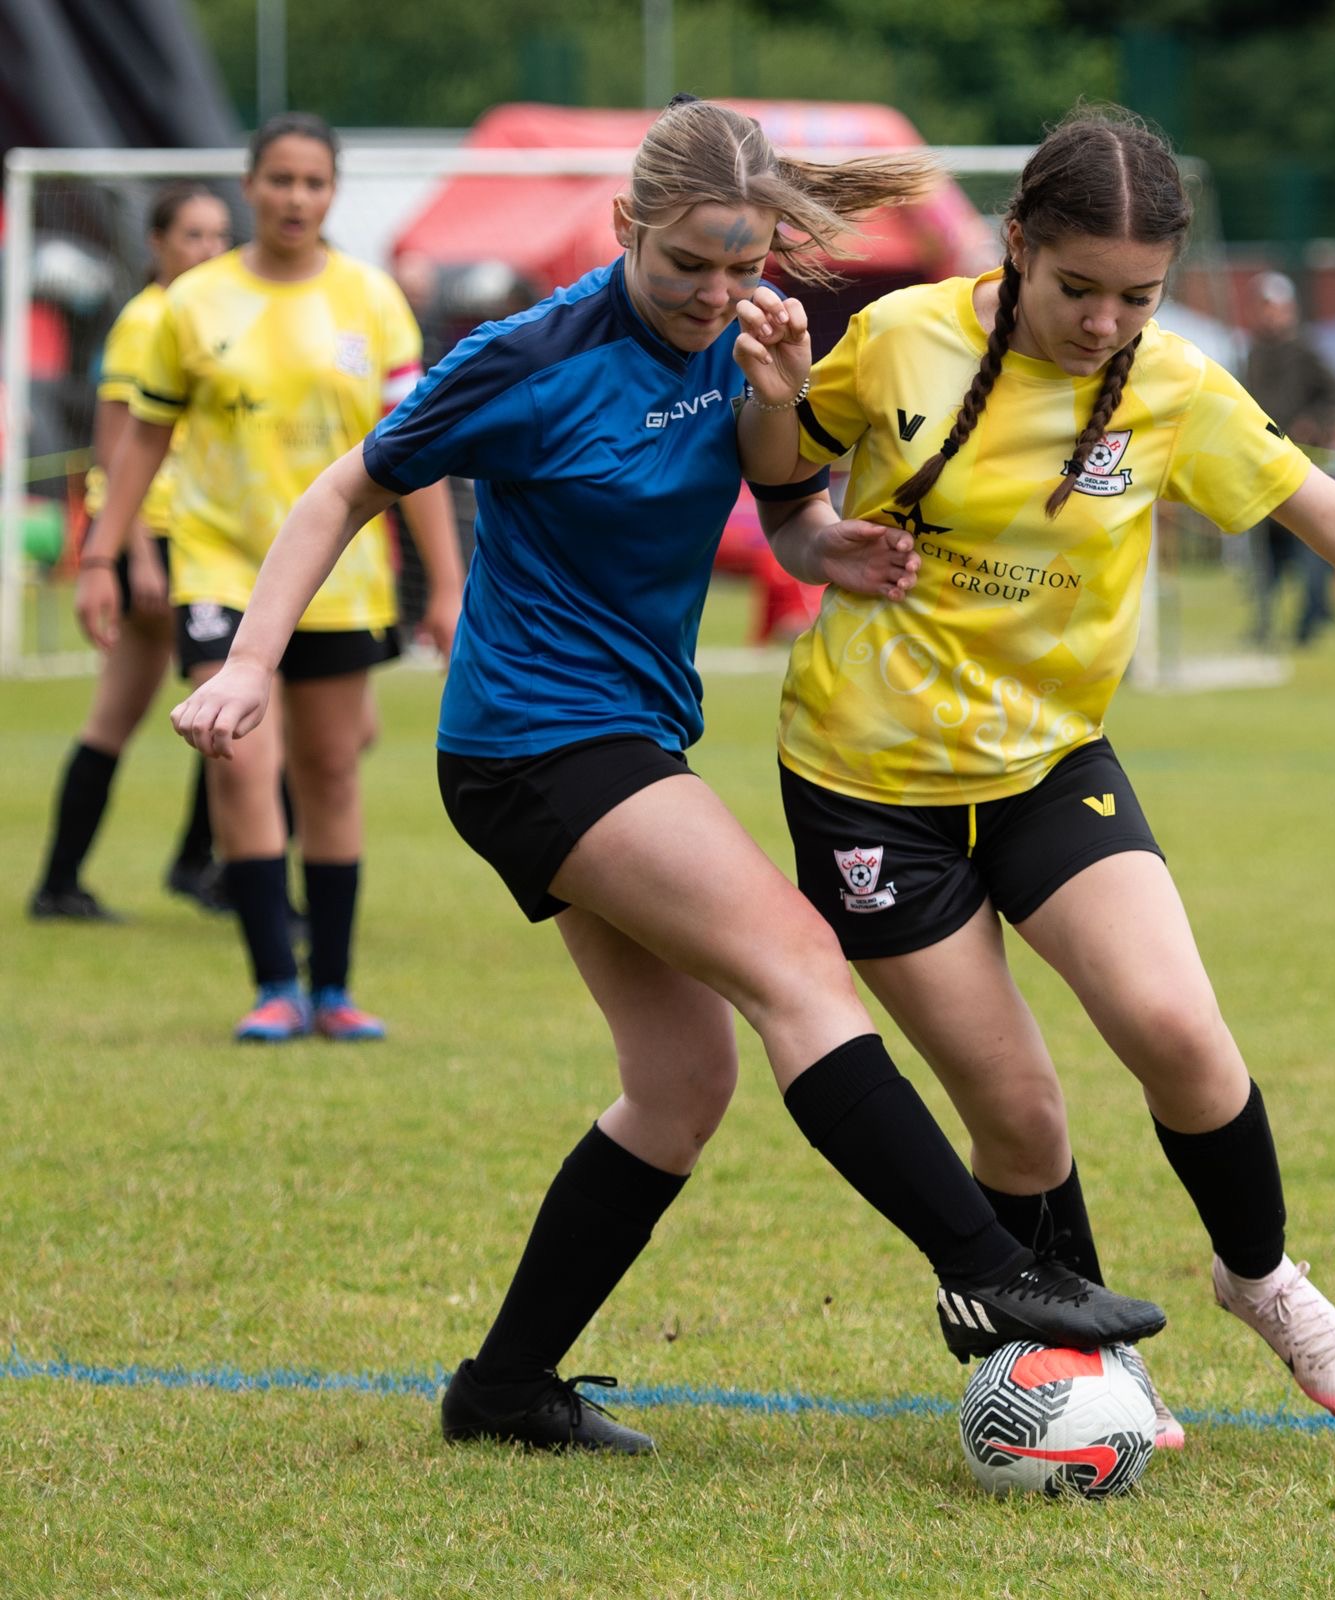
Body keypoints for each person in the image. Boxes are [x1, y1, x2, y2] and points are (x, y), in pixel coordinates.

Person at [167, 97, 1168, 1457]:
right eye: (686, 262)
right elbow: (342, 489)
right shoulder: (531, 355)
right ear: (625, 228)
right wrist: (248, 666)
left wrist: (825, 541)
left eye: (742, 262)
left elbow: (781, 509)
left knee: (682, 1083)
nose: (714, 291)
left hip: (625, 735)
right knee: (801, 969)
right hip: (536, 741)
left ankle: (503, 1388)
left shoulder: (755, 341)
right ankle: (992, 1271)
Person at [737, 104, 1335, 1449]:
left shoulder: (1176, 387)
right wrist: (790, 442)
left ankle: (1263, 1278)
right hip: (867, 783)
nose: (1103, 324)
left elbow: (1333, 514)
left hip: (1050, 762)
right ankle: (1079, 1368)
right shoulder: (902, 339)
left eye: (1138, 297)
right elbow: (780, 480)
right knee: (1016, 1112)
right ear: (1016, 243)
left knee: (1182, 1035)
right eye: (1077, 289)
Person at [76, 113, 464, 1043]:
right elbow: (146, 440)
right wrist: (102, 552)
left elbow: (415, 455)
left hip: (344, 576)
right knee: (242, 760)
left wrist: (448, 586)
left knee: (331, 768)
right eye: (280, 180)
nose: (296, 198)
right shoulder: (193, 303)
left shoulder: (371, 301)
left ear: (333, 194)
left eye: (314, 183)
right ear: (249, 186)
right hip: (218, 563)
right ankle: (272, 984)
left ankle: (333, 988)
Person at [30, 184, 233, 922]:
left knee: (121, 715)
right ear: (156, 243)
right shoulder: (150, 319)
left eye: (217, 236)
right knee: (237, 705)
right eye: (193, 235)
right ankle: (210, 869)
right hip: (155, 540)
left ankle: (64, 882)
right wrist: (138, 558)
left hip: (187, 539)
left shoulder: (210, 313)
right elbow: (119, 448)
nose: (208, 250)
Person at [1240, 270, 1335, 646]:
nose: (1269, 314)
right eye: (1263, 306)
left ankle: (1309, 625)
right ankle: (1264, 625)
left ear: (1289, 308)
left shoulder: (1307, 350)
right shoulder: (1249, 351)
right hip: (1257, 466)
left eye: (1275, 307)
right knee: (1262, 558)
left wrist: (1314, 424)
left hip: (1302, 465)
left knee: (1310, 550)